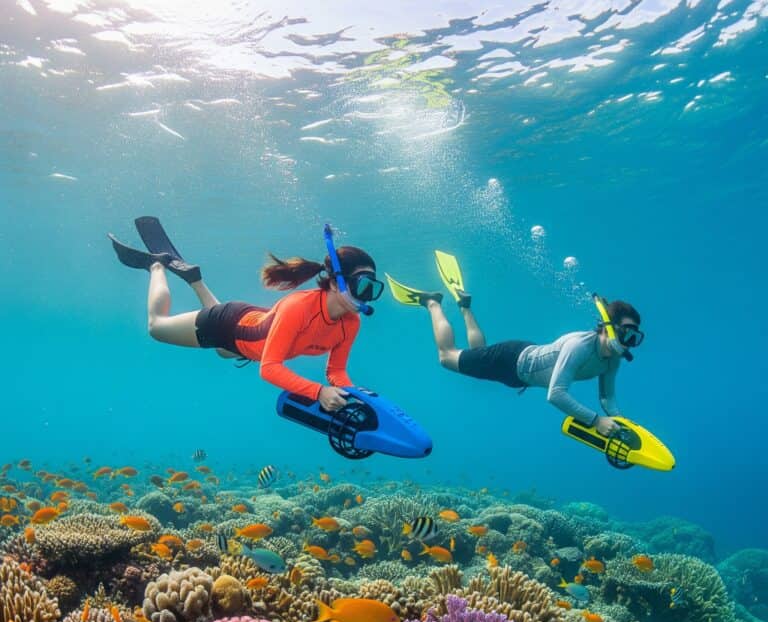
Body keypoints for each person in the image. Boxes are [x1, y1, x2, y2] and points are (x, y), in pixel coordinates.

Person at [109, 217, 384, 412]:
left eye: (373, 289)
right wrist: (319, 392)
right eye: (362, 286)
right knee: (157, 328)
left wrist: (355, 396)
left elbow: (336, 371)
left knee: (224, 353)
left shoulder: (351, 322)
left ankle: (195, 280)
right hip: (226, 324)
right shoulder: (299, 307)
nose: (366, 296)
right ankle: (157, 265)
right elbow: (269, 368)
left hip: (251, 330)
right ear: (336, 283)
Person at [385, 250, 644, 435]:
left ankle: (464, 305)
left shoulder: (613, 358)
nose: (629, 343)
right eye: (626, 334)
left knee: (478, 353)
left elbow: (608, 397)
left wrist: (622, 424)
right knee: (446, 356)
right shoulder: (581, 346)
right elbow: (556, 394)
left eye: (634, 338)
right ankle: (432, 302)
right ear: (608, 329)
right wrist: (596, 421)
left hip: (521, 371)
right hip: (509, 361)